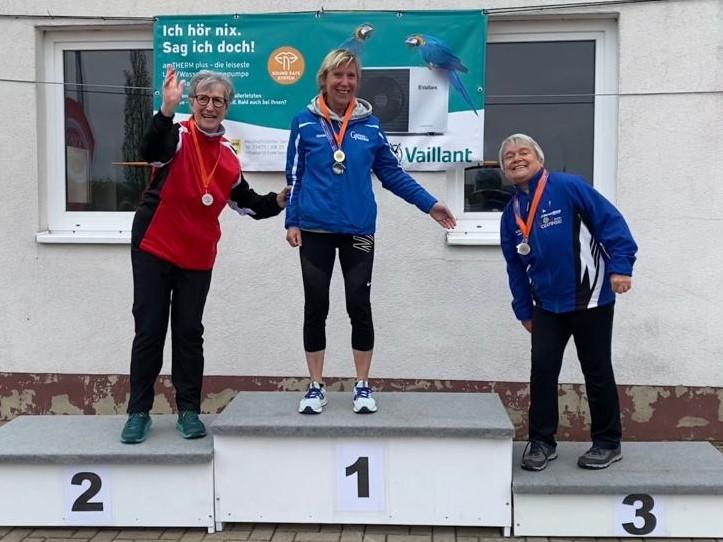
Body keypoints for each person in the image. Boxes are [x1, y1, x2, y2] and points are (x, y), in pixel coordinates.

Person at [121, 66, 287, 444]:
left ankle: (189, 411)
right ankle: (138, 412)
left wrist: (279, 200)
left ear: (227, 107)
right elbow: (151, 151)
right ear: (193, 102)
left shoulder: (228, 156)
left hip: (197, 254)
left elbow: (247, 203)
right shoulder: (177, 136)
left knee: (189, 332)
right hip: (155, 246)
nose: (210, 107)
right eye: (203, 99)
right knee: (149, 330)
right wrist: (166, 110)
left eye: (218, 101)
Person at [285, 49, 456, 415]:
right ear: (324, 79)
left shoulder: (371, 126)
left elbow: (391, 174)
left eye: (351, 76)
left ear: (358, 82)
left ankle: (362, 384)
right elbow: (295, 177)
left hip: (358, 231)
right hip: (314, 229)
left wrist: (429, 204)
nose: (345, 82)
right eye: (338, 75)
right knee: (316, 306)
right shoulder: (303, 122)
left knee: (359, 305)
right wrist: (292, 221)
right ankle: (316, 386)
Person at [499, 133, 637, 471]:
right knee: (542, 372)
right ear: (503, 169)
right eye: (509, 157)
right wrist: (523, 309)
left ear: (539, 159)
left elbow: (611, 223)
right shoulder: (510, 213)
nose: (516, 159)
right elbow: (514, 266)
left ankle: (607, 442)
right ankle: (541, 442)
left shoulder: (568, 187)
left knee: (597, 370)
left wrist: (621, 267)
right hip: (547, 306)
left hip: (591, 298)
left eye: (523, 152)